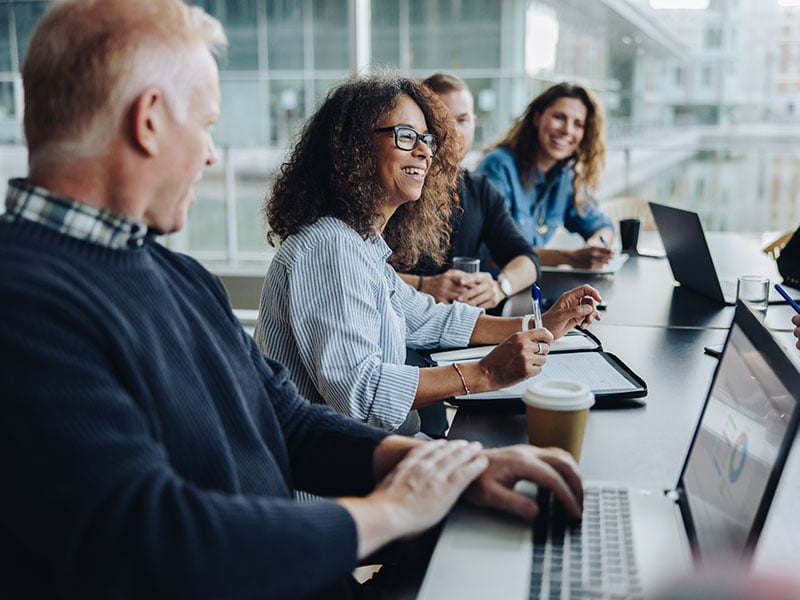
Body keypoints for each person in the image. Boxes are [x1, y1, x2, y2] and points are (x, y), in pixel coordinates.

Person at [0, 1, 585, 598]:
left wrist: (444, 469)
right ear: (149, 120)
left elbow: (288, 420)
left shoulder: (176, 275)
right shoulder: (22, 303)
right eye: (206, 124)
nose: (210, 155)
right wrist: (395, 510)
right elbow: (156, 539)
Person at [256, 72, 603, 437]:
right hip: (335, 482)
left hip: (376, 453)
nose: (424, 151)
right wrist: (485, 373)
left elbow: (429, 319)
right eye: (405, 136)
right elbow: (362, 393)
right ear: (351, 149)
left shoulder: (359, 243)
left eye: (426, 139)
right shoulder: (329, 247)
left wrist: (540, 325)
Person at [394, 73, 539, 311]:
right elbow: (362, 269)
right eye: (441, 121)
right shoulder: (399, 185)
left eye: (461, 120)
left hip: (465, 329)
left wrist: (500, 286)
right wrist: (423, 285)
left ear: (473, 122)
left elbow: (526, 259)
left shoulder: (480, 188)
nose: (452, 132)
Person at [476, 82, 615, 270]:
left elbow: (601, 225)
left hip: (531, 285)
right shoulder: (498, 166)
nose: (567, 130)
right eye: (559, 117)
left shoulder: (566, 176)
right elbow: (493, 253)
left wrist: (597, 245)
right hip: (494, 288)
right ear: (537, 118)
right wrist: (569, 257)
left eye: (578, 124)